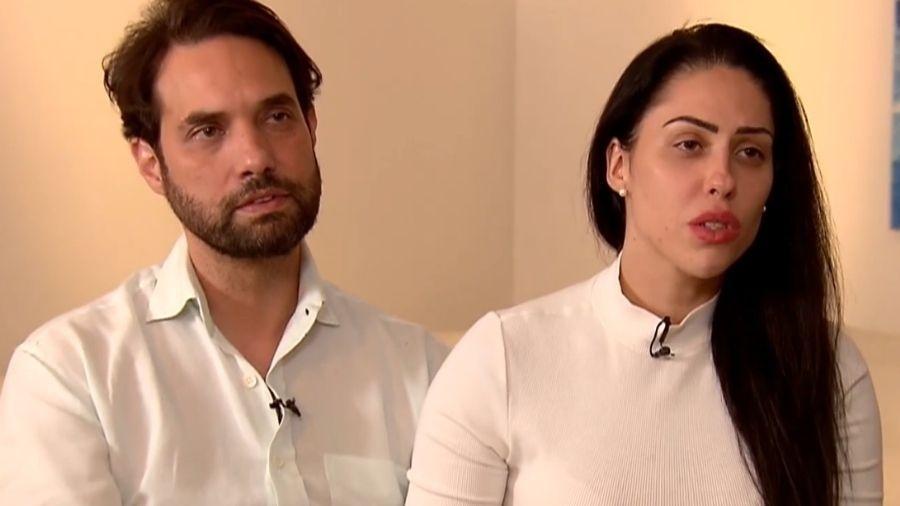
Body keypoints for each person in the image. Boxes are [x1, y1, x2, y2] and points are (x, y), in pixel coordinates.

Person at [406, 23, 882, 505]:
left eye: (750, 152)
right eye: (689, 144)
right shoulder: (502, 360)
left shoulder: (826, 369)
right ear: (619, 166)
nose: (722, 179)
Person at [0, 0, 447, 504]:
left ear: (311, 126)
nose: (255, 157)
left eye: (277, 116)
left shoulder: (423, 372)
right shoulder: (71, 375)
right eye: (208, 131)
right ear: (151, 164)